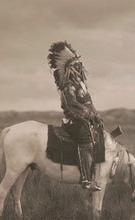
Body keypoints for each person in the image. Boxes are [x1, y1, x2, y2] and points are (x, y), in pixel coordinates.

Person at [48, 41, 103, 191]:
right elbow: (71, 106)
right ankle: (86, 179)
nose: (80, 67)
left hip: (85, 119)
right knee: (86, 141)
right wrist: (87, 115)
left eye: (80, 64)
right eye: (76, 65)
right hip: (74, 121)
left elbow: (88, 103)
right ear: (70, 68)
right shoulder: (68, 86)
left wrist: (96, 115)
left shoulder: (81, 84)